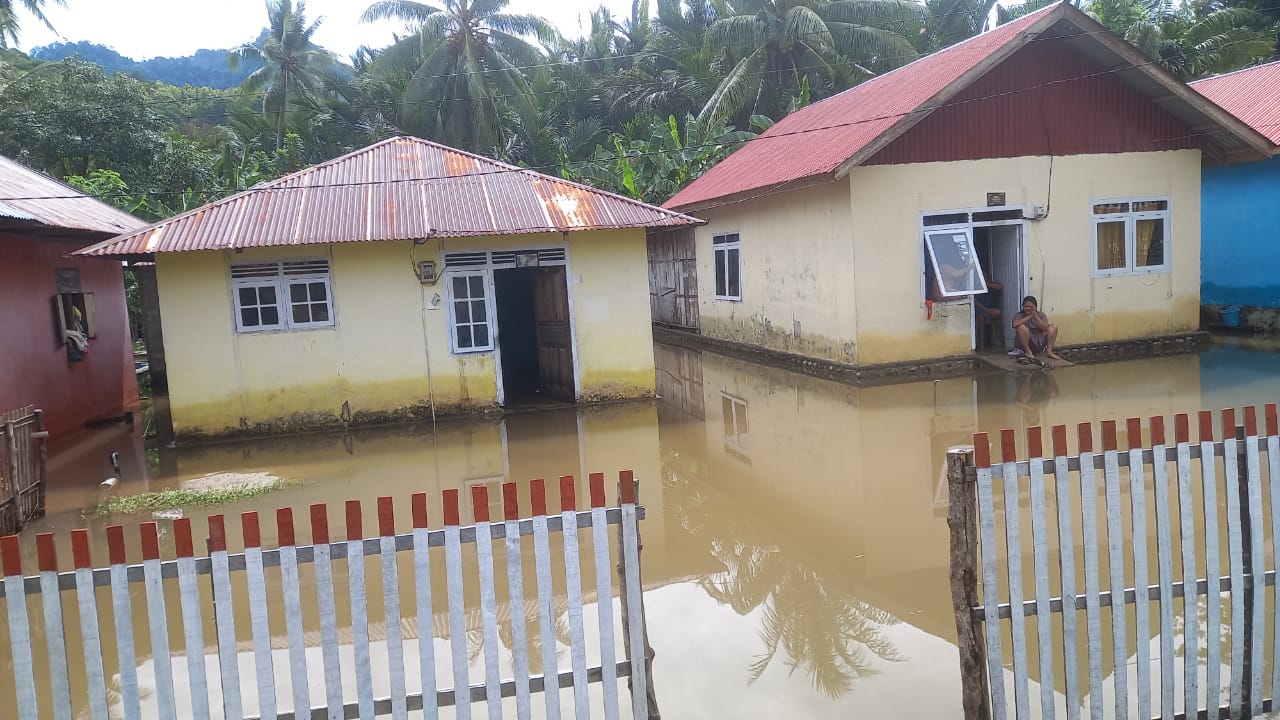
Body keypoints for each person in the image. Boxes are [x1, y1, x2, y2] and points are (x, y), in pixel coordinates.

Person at [1011, 295, 1060, 362]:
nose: (1028, 308)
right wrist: (1029, 316)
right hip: (1026, 343)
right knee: (1021, 327)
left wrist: (1035, 316)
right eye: (1026, 306)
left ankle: (1048, 351)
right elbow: (1014, 324)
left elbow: (1045, 329)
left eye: (1030, 307)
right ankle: (1028, 352)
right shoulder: (1019, 315)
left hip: (1039, 342)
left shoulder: (1041, 315)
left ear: (1035, 307)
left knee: (1054, 327)